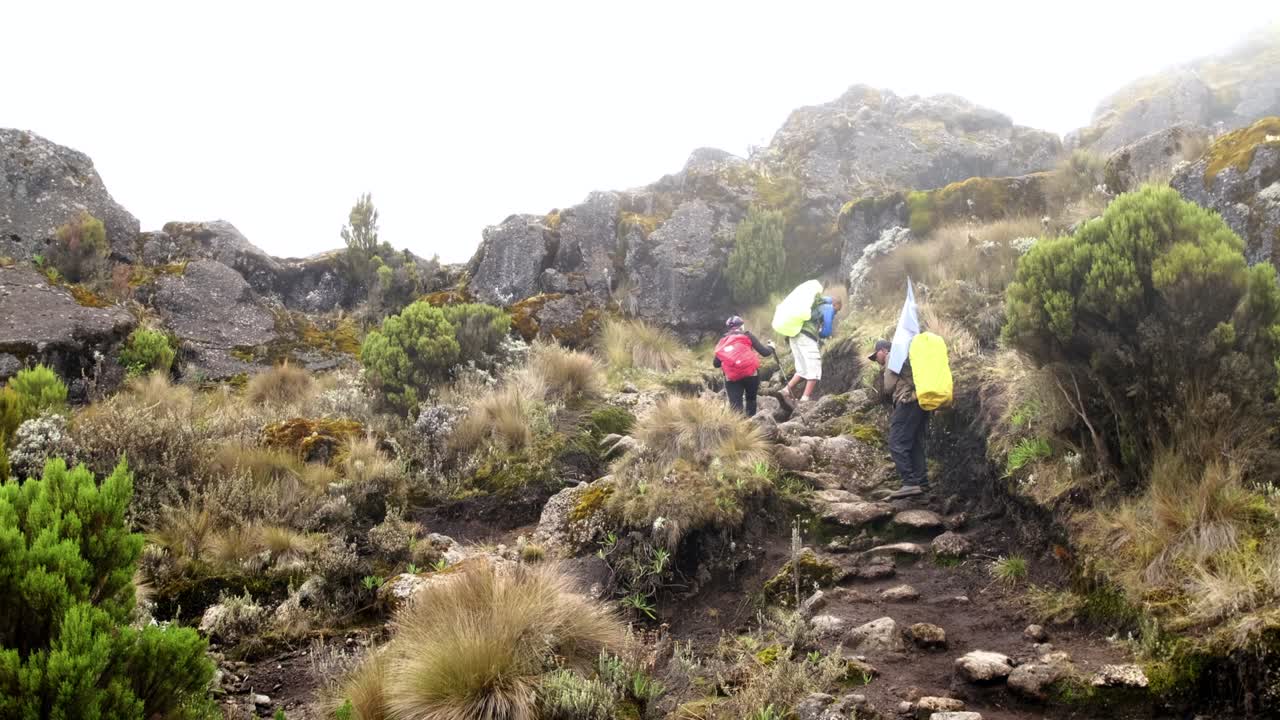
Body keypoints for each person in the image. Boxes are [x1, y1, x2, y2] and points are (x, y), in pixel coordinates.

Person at [870, 338, 930, 498]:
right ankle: (922, 485)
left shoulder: (892, 357)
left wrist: (886, 375)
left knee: (896, 443)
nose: (876, 361)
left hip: (907, 401)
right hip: (920, 402)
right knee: (915, 444)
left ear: (883, 351)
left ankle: (909, 483)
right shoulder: (905, 356)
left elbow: (889, 387)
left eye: (876, 357)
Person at [782, 293, 842, 405]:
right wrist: (822, 334)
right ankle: (805, 399)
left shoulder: (815, 306)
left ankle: (785, 390)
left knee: (802, 368)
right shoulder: (828, 307)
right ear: (835, 304)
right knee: (814, 367)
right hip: (807, 337)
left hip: (794, 336)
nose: (836, 313)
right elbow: (827, 330)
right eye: (837, 310)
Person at [713, 316, 775, 417]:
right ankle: (751, 424)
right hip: (751, 374)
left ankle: (739, 429)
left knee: (735, 405)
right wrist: (771, 347)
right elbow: (765, 352)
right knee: (751, 399)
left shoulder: (723, 340)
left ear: (729, 328)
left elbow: (716, 364)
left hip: (732, 377)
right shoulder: (748, 335)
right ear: (742, 326)